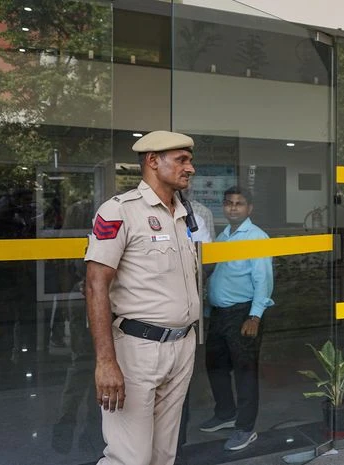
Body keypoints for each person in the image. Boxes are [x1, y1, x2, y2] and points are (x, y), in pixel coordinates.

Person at [84, 130, 200, 465]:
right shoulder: (120, 211)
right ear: (152, 161)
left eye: (189, 160)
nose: (190, 168)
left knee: (163, 454)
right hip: (137, 349)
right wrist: (106, 361)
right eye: (182, 160)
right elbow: (95, 284)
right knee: (129, 457)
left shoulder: (181, 213)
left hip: (181, 346)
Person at [199, 185, 273, 452]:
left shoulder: (256, 238)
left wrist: (254, 316)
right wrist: (208, 311)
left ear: (249, 208)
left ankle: (245, 427)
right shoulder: (224, 236)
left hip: (243, 314)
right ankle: (225, 413)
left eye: (239, 204)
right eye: (228, 203)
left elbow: (263, 281)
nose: (232, 207)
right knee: (215, 366)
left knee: (244, 372)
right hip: (219, 315)